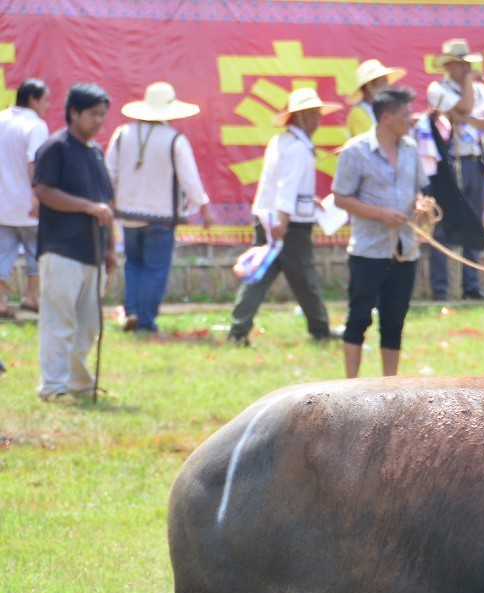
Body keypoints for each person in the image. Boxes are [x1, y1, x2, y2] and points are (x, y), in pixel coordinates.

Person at [228, 87, 340, 346]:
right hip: (288, 224)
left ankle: (238, 328)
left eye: (317, 114)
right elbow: (286, 187)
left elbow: (283, 183)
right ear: (298, 118)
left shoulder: (282, 142)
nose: (317, 120)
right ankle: (320, 329)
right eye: (311, 115)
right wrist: (283, 221)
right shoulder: (298, 148)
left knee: (261, 274)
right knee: (305, 277)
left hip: (273, 217)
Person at [332, 87, 426, 378]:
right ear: (386, 118)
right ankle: (350, 384)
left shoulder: (411, 149)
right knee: (359, 317)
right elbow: (340, 197)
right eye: (405, 115)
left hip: (405, 248)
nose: (411, 120)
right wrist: (381, 214)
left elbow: (419, 188)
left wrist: (422, 204)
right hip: (368, 250)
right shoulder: (355, 151)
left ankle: (390, 386)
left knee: (395, 319)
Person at [105, 82, 213, 334]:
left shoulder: (122, 134)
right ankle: (145, 321)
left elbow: (109, 173)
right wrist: (204, 208)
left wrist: (110, 203)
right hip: (161, 217)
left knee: (134, 263)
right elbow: (190, 179)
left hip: (127, 215)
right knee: (155, 269)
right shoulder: (175, 139)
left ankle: (131, 310)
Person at [31, 83, 115, 403]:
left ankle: (79, 383)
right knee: (59, 321)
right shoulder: (56, 148)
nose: (98, 121)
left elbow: (106, 200)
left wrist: (109, 250)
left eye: (102, 115)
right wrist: (86, 207)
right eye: (93, 114)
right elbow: (43, 191)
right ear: (73, 113)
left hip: (93, 251)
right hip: (61, 249)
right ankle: (52, 387)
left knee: (88, 324)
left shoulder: (95, 152)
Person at [425, 38, 484, 301]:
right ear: (449, 66)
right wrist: (467, 106)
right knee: (444, 223)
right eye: (460, 65)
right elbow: (464, 109)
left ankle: (471, 286)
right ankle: (441, 289)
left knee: (473, 221)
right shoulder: (437, 89)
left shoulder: (480, 90)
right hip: (450, 162)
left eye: (467, 64)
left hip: (475, 161)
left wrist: (465, 118)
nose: (465, 69)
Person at [0, 78, 51, 319]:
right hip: (28, 205)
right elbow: (35, 163)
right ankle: (31, 298)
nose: (48, 105)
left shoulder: (1, 119)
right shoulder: (35, 126)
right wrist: (37, 195)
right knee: (36, 252)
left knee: (2, 254)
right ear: (33, 99)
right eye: (46, 99)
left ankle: (0, 302)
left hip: (3, 204)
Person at [345, 58, 406, 139]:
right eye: (383, 81)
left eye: (386, 81)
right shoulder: (359, 112)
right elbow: (367, 144)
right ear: (369, 85)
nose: (387, 85)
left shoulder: (384, 109)